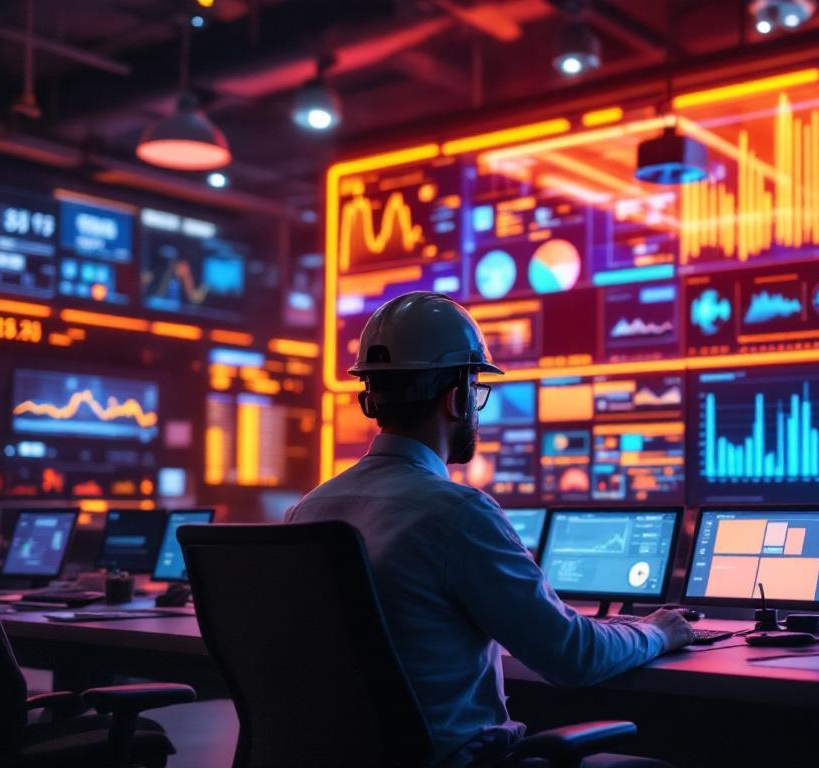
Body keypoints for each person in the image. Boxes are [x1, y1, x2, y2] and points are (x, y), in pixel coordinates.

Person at [287, 292, 693, 767]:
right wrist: (657, 632)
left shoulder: (309, 510)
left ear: (370, 399)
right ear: (458, 398)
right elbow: (573, 658)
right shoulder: (455, 513)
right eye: (476, 389)